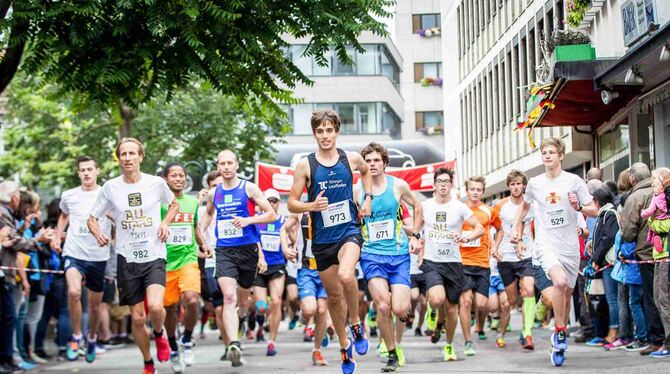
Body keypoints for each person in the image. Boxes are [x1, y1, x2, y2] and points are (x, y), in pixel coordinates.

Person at [287, 109, 373, 374]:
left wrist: (367, 197)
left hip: (349, 230)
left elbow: (366, 171)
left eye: (329, 130)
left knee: (348, 277)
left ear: (337, 131)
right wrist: (311, 205)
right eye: (320, 131)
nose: (325, 135)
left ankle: (356, 324)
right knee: (334, 297)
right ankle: (345, 349)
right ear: (315, 134)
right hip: (322, 240)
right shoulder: (305, 164)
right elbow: (291, 202)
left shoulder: (350, 158)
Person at [88, 138, 179, 374]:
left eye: (131, 153)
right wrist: (98, 234)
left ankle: (159, 334)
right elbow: (92, 218)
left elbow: (174, 204)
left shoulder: (156, 183)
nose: (127, 158)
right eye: (123, 154)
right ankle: (148, 361)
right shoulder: (111, 187)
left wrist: (166, 223)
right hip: (127, 257)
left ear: (141, 156)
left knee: (157, 307)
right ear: (118, 158)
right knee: (138, 318)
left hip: (154, 253)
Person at [512, 137, 598, 367]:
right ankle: (560, 332)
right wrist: (515, 227)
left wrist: (579, 208)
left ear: (561, 155)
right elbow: (526, 205)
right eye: (544, 152)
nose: (547, 156)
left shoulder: (574, 181)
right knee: (559, 283)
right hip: (546, 243)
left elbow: (594, 210)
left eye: (551, 152)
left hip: (569, 246)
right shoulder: (536, 183)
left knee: (566, 294)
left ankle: (558, 331)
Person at [199, 150, 276, 367]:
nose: (225, 167)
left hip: (248, 250)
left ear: (237, 165)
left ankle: (241, 320)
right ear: (218, 165)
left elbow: (271, 214)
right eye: (222, 163)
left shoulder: (249, 188)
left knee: (243, 300)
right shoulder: (215, 193)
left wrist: (248, 220)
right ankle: (233, 343)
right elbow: (208, 214)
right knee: (229, 298)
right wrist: (201, 236)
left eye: (229, 163)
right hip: (224, 251)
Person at [354, 142, 423, 372]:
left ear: (384, 163)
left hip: (399, 254)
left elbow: (417, 206)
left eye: (376, 160)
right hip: (372, 255)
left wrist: (416, 236)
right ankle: (392, 352)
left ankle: (400, 326)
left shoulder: (398, 185)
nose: (372, 165)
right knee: (383, 305)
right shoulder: (357, 188)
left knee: (401, 309)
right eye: (368, 161)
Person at [420, 167, 484, 362]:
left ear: (451, 185)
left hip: (454, 263)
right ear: (434, 185)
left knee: (451, 310)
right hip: (432, 261)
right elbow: (414, 226)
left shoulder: (460, 207)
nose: (443, 185)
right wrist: (414, 237)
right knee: (438, 299)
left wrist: (465, 236)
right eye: (439, 181)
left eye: (446, 181)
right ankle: (432, 311)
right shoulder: (425, 206)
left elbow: (479, 229)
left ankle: (448, 345)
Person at [54, 156, 112, 363]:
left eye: (90, 169)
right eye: (82, 170)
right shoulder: (69, 195)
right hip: (74, 252)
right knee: (73, 291)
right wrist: (56, 235)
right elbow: (63, 216)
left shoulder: (107, 194)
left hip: (98, 255)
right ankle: (76, 336)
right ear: (78, 173)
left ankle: (93, 337)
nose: (86, 173)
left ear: (97, 171)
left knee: (95, 306)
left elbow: (116, 217)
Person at [160, 162, 212, 372]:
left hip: (188, 259)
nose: (179, 179)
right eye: (174, 175)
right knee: (169, 308)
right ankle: (173, 347)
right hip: (164, 263)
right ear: (165, 179)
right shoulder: (159, 203)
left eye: (181, 175)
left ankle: (187, 339)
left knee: (192, 300)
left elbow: (195, 227)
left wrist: (203, 244)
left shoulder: (191, 202)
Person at [0, 181, 52, 373]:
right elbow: (14, 242)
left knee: (11, 317)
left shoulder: (6, 214)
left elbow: (12, 238)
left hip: (8, 274)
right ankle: (8, 358)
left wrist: (25, 229)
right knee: (10, 317)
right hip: (7, 273)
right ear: (14, 197)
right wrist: (38, 240)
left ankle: (9, 359)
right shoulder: (2, 213)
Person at [620, 162, 665, 354]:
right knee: (663, 296)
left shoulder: (635, 197)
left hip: (647, 252)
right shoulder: (660, 192)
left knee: (651, 297)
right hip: (664, 251)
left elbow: (628, 232)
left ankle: (656, 339)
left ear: (632, 179)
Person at [491, 170, 536, 350]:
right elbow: (494, 231)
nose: (516, 187)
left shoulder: (531, 205)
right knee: (509, 301)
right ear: (508, 186)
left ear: (524, 185)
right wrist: (494, 248)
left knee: (529, 290)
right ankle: (501, 332)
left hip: (526, 255)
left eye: (519, 184)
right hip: (506, 257)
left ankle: (527, 333)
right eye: (513, 184)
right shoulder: (500, 206)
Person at [458, 176, 501, 356]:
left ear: (483, 192)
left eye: (478, 190)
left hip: (482, 263)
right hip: (462, 262)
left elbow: (500, 229)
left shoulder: (489, 211)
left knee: (482, 304)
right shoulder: (459, 209)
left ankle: (477, 324)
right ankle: (468, 341)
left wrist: (495, 247)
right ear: (467, 190)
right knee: (466, 301)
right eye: (472, 189)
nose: (475, 192)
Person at [281, 212, 329, 366]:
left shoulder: (331, 208)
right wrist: (285, 248)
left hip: (326, 269)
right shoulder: (300, 212)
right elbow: (283, 229)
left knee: (322, 310)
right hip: (307, 270)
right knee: (310, 310)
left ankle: (317, 350)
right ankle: (304, 315)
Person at [253, 188, 287, 356]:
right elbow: (253, 241)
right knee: (261, 307)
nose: (272, 204)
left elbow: (293, 238)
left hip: (277, 265)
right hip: (260, 267)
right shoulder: (257, 220)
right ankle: (260, 321)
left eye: (275, 201)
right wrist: (260, 258)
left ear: (279, 203)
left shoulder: (283, 220)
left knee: (276, 301)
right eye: (269, 201)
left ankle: (272, 341)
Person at [645, 167, 670, 358]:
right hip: (658, 255)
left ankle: (668, 343)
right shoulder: (658, 199)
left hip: (666, 256)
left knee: (663, 299)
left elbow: (667, 224)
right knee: (658, 298)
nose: (652, 183)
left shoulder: (666, 198)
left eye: (654, 180)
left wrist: (652, 223)